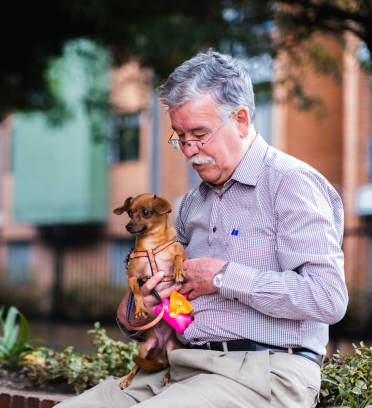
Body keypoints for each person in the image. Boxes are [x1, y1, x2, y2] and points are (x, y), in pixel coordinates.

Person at [55, 49, 348, 407]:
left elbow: (328, 299)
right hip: (182, 367)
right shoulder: (192, 204)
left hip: (266, 372)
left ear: (241, 119)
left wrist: (224, 277)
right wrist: (140, 312)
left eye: (200, 134)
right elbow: (180, 309)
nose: (189, 150)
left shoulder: (291, 183)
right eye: (180, 136)